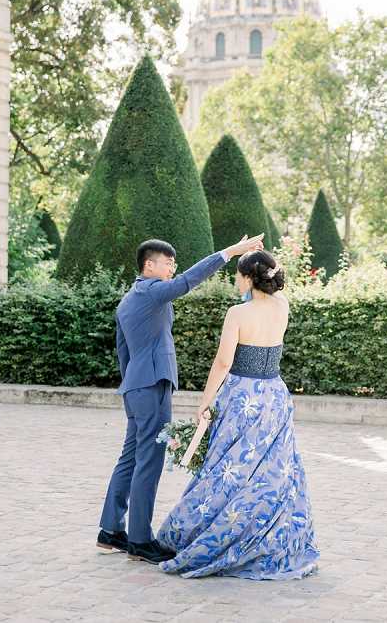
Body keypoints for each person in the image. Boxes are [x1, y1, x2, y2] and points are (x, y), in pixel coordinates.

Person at [97, 234, 264, 565]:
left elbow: (123, 351)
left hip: (136, 386)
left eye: (174, 262)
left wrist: (132, 382)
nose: (174, 267)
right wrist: (230, 253)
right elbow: (188, 282)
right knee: (149, 461)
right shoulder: (150, 292)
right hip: (152, 385)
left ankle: (110, 531)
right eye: (168, 262)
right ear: (149, 265)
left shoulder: (130, 299)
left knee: (130, 458)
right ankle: (140, 540)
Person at [157, 249, 320, 579]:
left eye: (237, 274)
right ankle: (265, 536)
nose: (234, 279)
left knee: (228, 466)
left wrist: (205, 401)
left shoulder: (238, 313)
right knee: (273, 469)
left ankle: (213, 534)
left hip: (242, 396)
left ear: (248, 278)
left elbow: (223, 362)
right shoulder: (282, 305)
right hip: (273, 395)